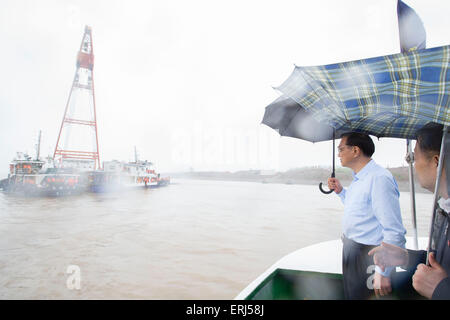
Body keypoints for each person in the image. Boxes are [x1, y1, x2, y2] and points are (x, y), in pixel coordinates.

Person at [368, 123, 449, 299]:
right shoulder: (443, 210)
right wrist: (406, 258)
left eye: (413, 156)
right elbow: (441, 263)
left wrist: (441, 289)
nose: (412, 164)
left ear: (437, 161)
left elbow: (441, 280)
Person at [328, 132, 406, 299]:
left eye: (341, 149)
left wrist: (383, 271)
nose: (338, 154)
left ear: (355, 150)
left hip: (369, 256)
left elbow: (394, 230)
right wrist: (341, 192)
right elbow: (358, 209)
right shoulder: (359, 178)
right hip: (351, 250)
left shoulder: (379, 178)